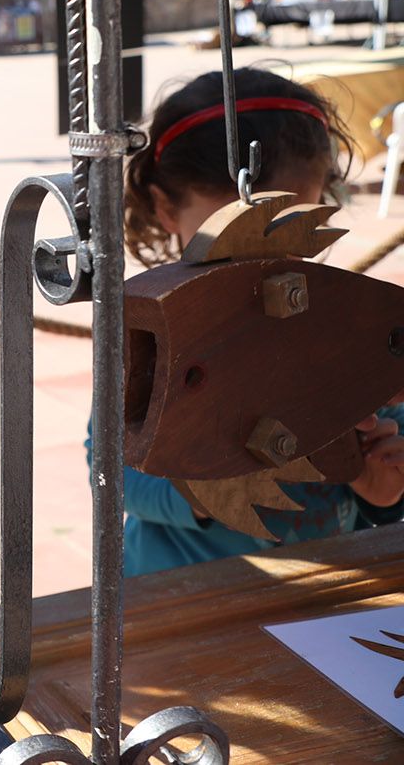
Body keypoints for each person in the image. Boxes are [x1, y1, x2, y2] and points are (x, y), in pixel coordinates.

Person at [107, 67, 404, 576]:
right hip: (180, 595)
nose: (257, 275)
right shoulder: (152, 333)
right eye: (227, 250)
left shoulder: (340, 326)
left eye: (287, 241)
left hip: (329, 587)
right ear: (165, 208)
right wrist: (205, 486)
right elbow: (110, 470)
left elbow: (386, 448)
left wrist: (382, 487)